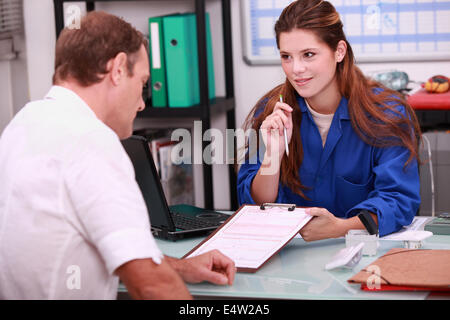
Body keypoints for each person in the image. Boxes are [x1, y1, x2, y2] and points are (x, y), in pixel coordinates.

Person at [0, 11, 235, 300]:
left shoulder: (23, 124)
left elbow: (100, 246)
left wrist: (180, 268)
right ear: (119, 69)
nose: (140, 104)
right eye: (143, 84)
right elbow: (151, 286)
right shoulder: (91, 142)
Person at [237, 0, 421, 240]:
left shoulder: (387, 113)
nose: (296, 69)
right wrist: (273, 155)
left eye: (309, 54)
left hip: (364, 250)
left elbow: (398, 200)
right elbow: (253, 203)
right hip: (291, 256)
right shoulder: (271, 111)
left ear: (339, 51)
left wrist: (340, 228)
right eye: (286, 56)